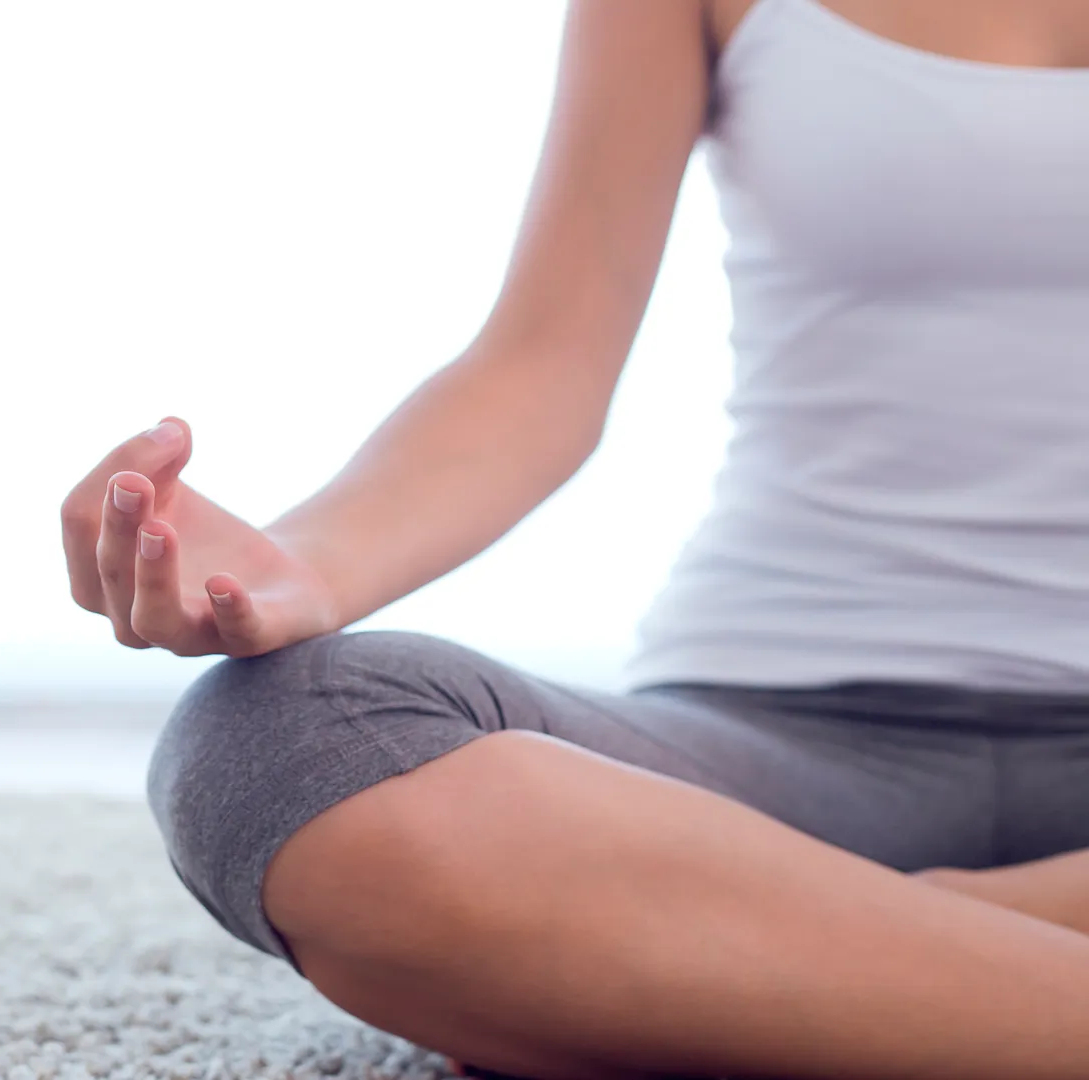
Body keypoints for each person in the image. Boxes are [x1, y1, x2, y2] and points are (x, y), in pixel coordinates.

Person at [58, 1, 1089, 1077]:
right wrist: (304, 562)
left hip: (787, 868)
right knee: (274, 743)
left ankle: (787, 979)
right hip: (771, 752)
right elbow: (544, 366)